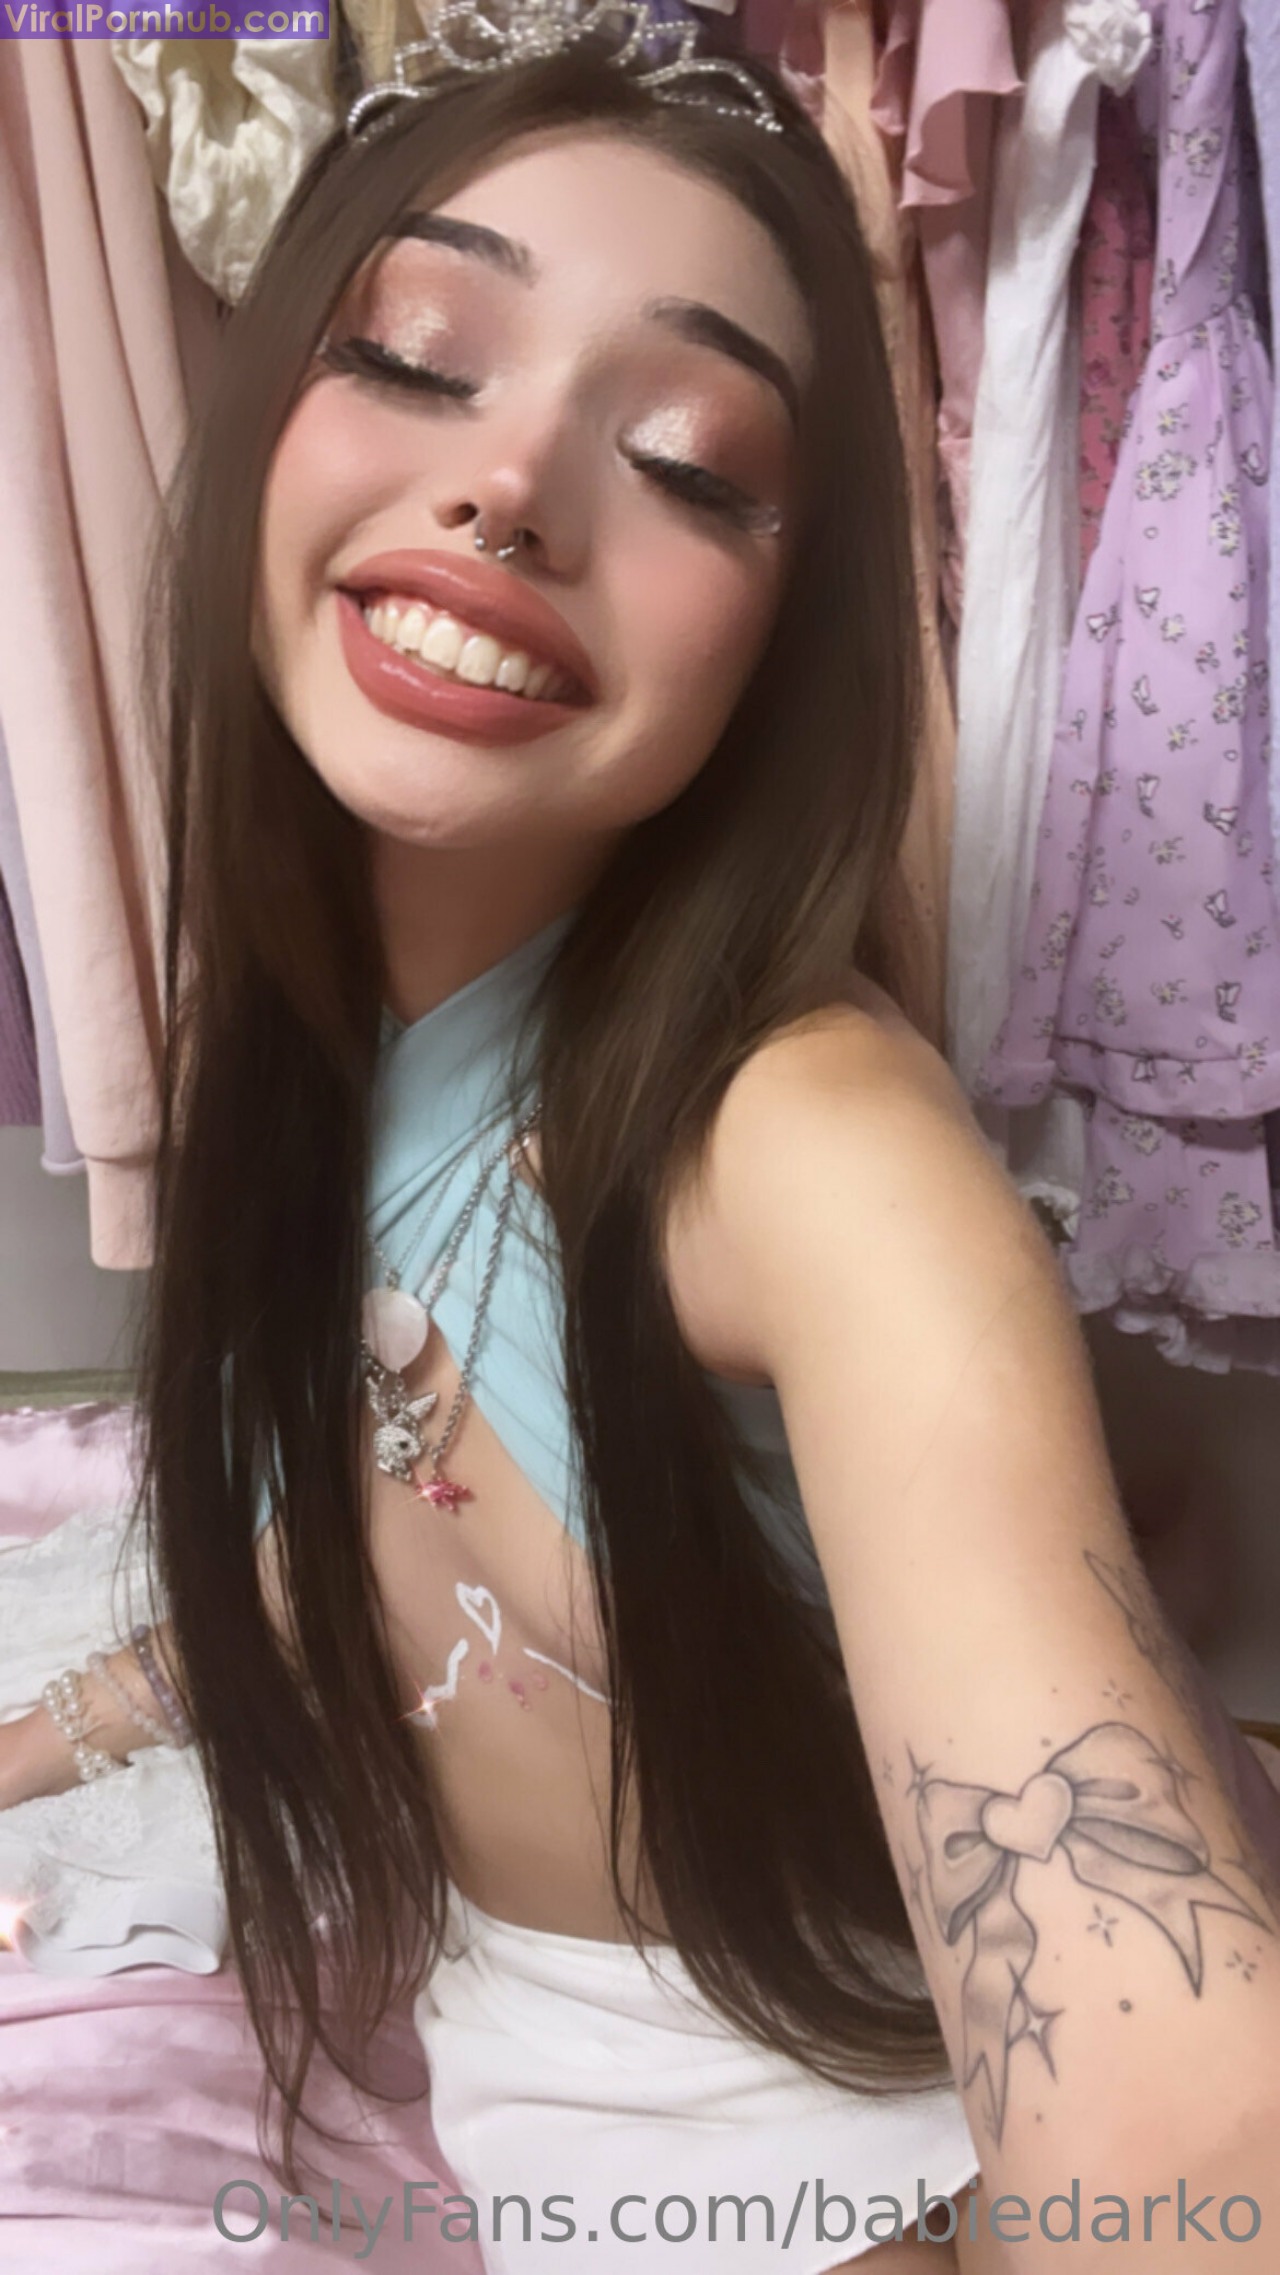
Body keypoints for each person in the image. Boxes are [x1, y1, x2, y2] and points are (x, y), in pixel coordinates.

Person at [1, 17, 1278, 2272]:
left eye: (689, 458)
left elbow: (1178, 2135)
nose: (511, 483)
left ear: (782, 639)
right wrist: (43, 1737)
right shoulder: (320, 1044)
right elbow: (336, 1536)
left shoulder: (811, 1143)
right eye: (416, 357)